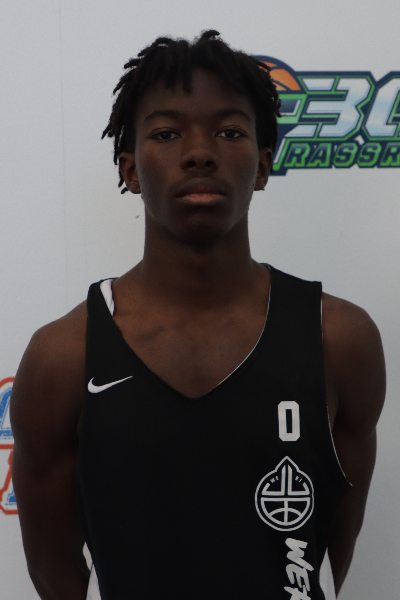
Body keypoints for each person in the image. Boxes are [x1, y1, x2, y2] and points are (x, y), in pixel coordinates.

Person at [10, 30, 386, 600]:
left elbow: (330, 552)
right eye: (166, 133)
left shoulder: (339, 339)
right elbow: (52, 566)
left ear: (262, 166)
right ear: (130, 170)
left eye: (229, 131)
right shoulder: (62, 358)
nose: (199, 152)